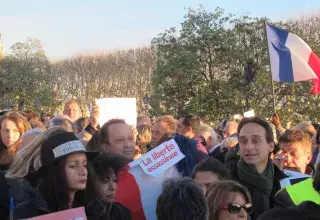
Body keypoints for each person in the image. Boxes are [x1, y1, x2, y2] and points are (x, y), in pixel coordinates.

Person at [13, 130, 97, 219]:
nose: (83, 172)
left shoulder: (93, 208)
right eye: (73, 166)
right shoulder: (28, 212)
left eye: (84, 164)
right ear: (55, 172)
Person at [228, 117, 286, 220]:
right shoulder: (227, 181)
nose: (248, 147)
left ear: (271, 146)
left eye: (256, 141)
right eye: (243, 141)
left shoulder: (284, 183)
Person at [85, 154, 131, 220]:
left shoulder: (122, 211)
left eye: (115, 180)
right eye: (105, 181)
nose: (112, 187)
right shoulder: (81, 214)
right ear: (90, 183)